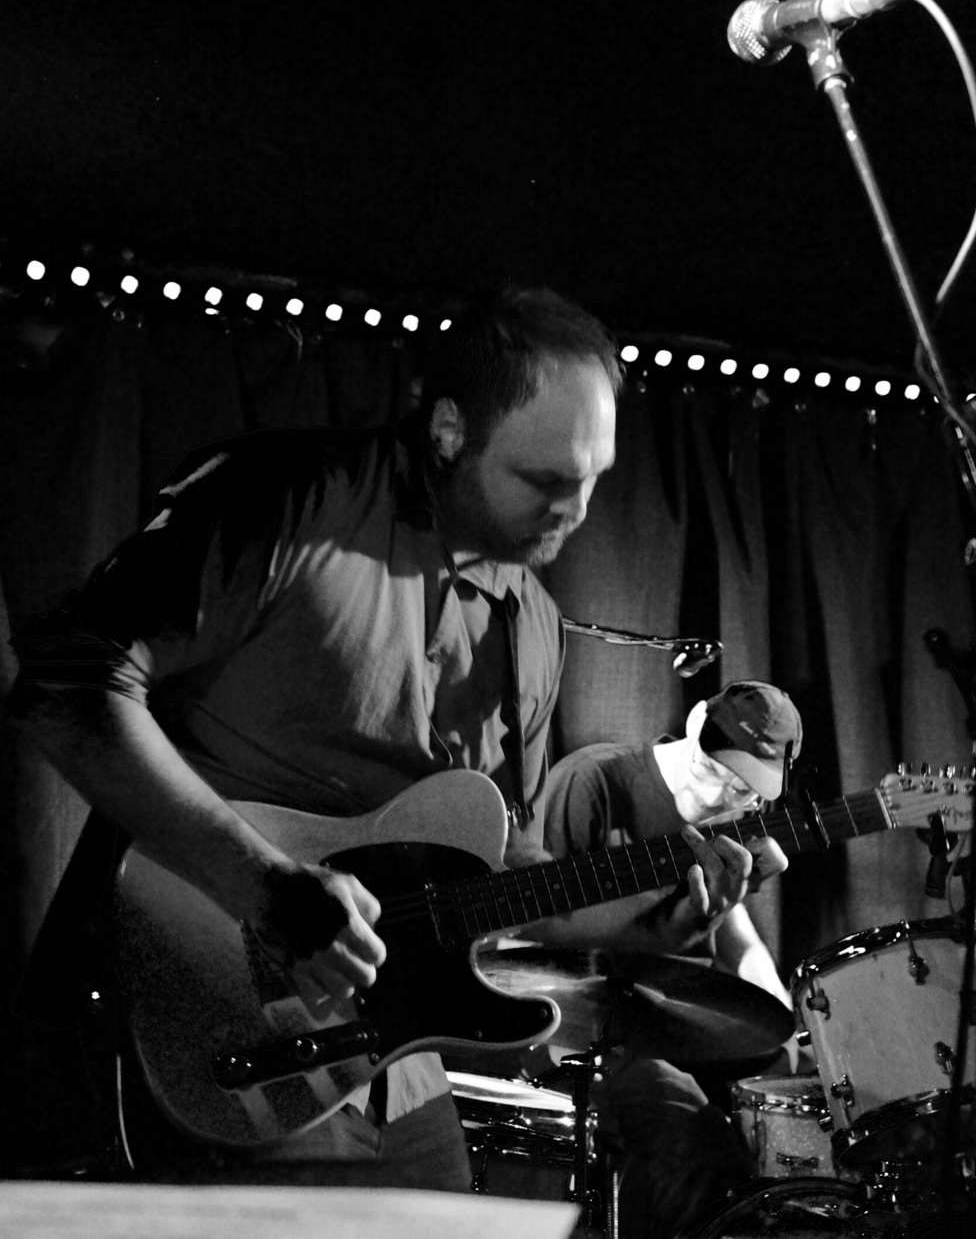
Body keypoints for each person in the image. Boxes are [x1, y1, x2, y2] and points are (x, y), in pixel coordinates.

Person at [3, 286, 787, 1195]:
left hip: (388, 1067)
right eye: (546, 480)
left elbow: (504, 882)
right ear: (449, 430)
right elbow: (66, 682)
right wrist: (266, 887)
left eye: (594, 478)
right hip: (194, 1019)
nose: (575, 509)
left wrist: (657, 919)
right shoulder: (296, 499)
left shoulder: (533, 625)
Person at [540, 681, 806, 1238]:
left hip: (671, 1031)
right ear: (694, 723)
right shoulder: (593, 782)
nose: (722, 795)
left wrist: (791, 1043)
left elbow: (739, 940)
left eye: (745, 789)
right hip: (580, 1037)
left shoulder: (728, 821)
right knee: (692, 1145)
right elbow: (535, 936)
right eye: (716, 770)